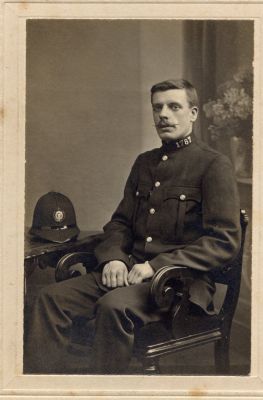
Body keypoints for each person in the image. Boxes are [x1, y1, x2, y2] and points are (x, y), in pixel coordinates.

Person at [24, 79, 241, 374]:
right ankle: (46, 388)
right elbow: (120, 222)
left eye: (174, 107)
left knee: (113, 306)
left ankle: (103, 391)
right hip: (130, 272)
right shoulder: (144, 163)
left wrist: (157, 266)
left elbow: (224, 241)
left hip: (179, 285)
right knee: (50, 299)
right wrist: (113, 257)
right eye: (158, 107)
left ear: (193, 113)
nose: (164, 114)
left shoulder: (213, 165)